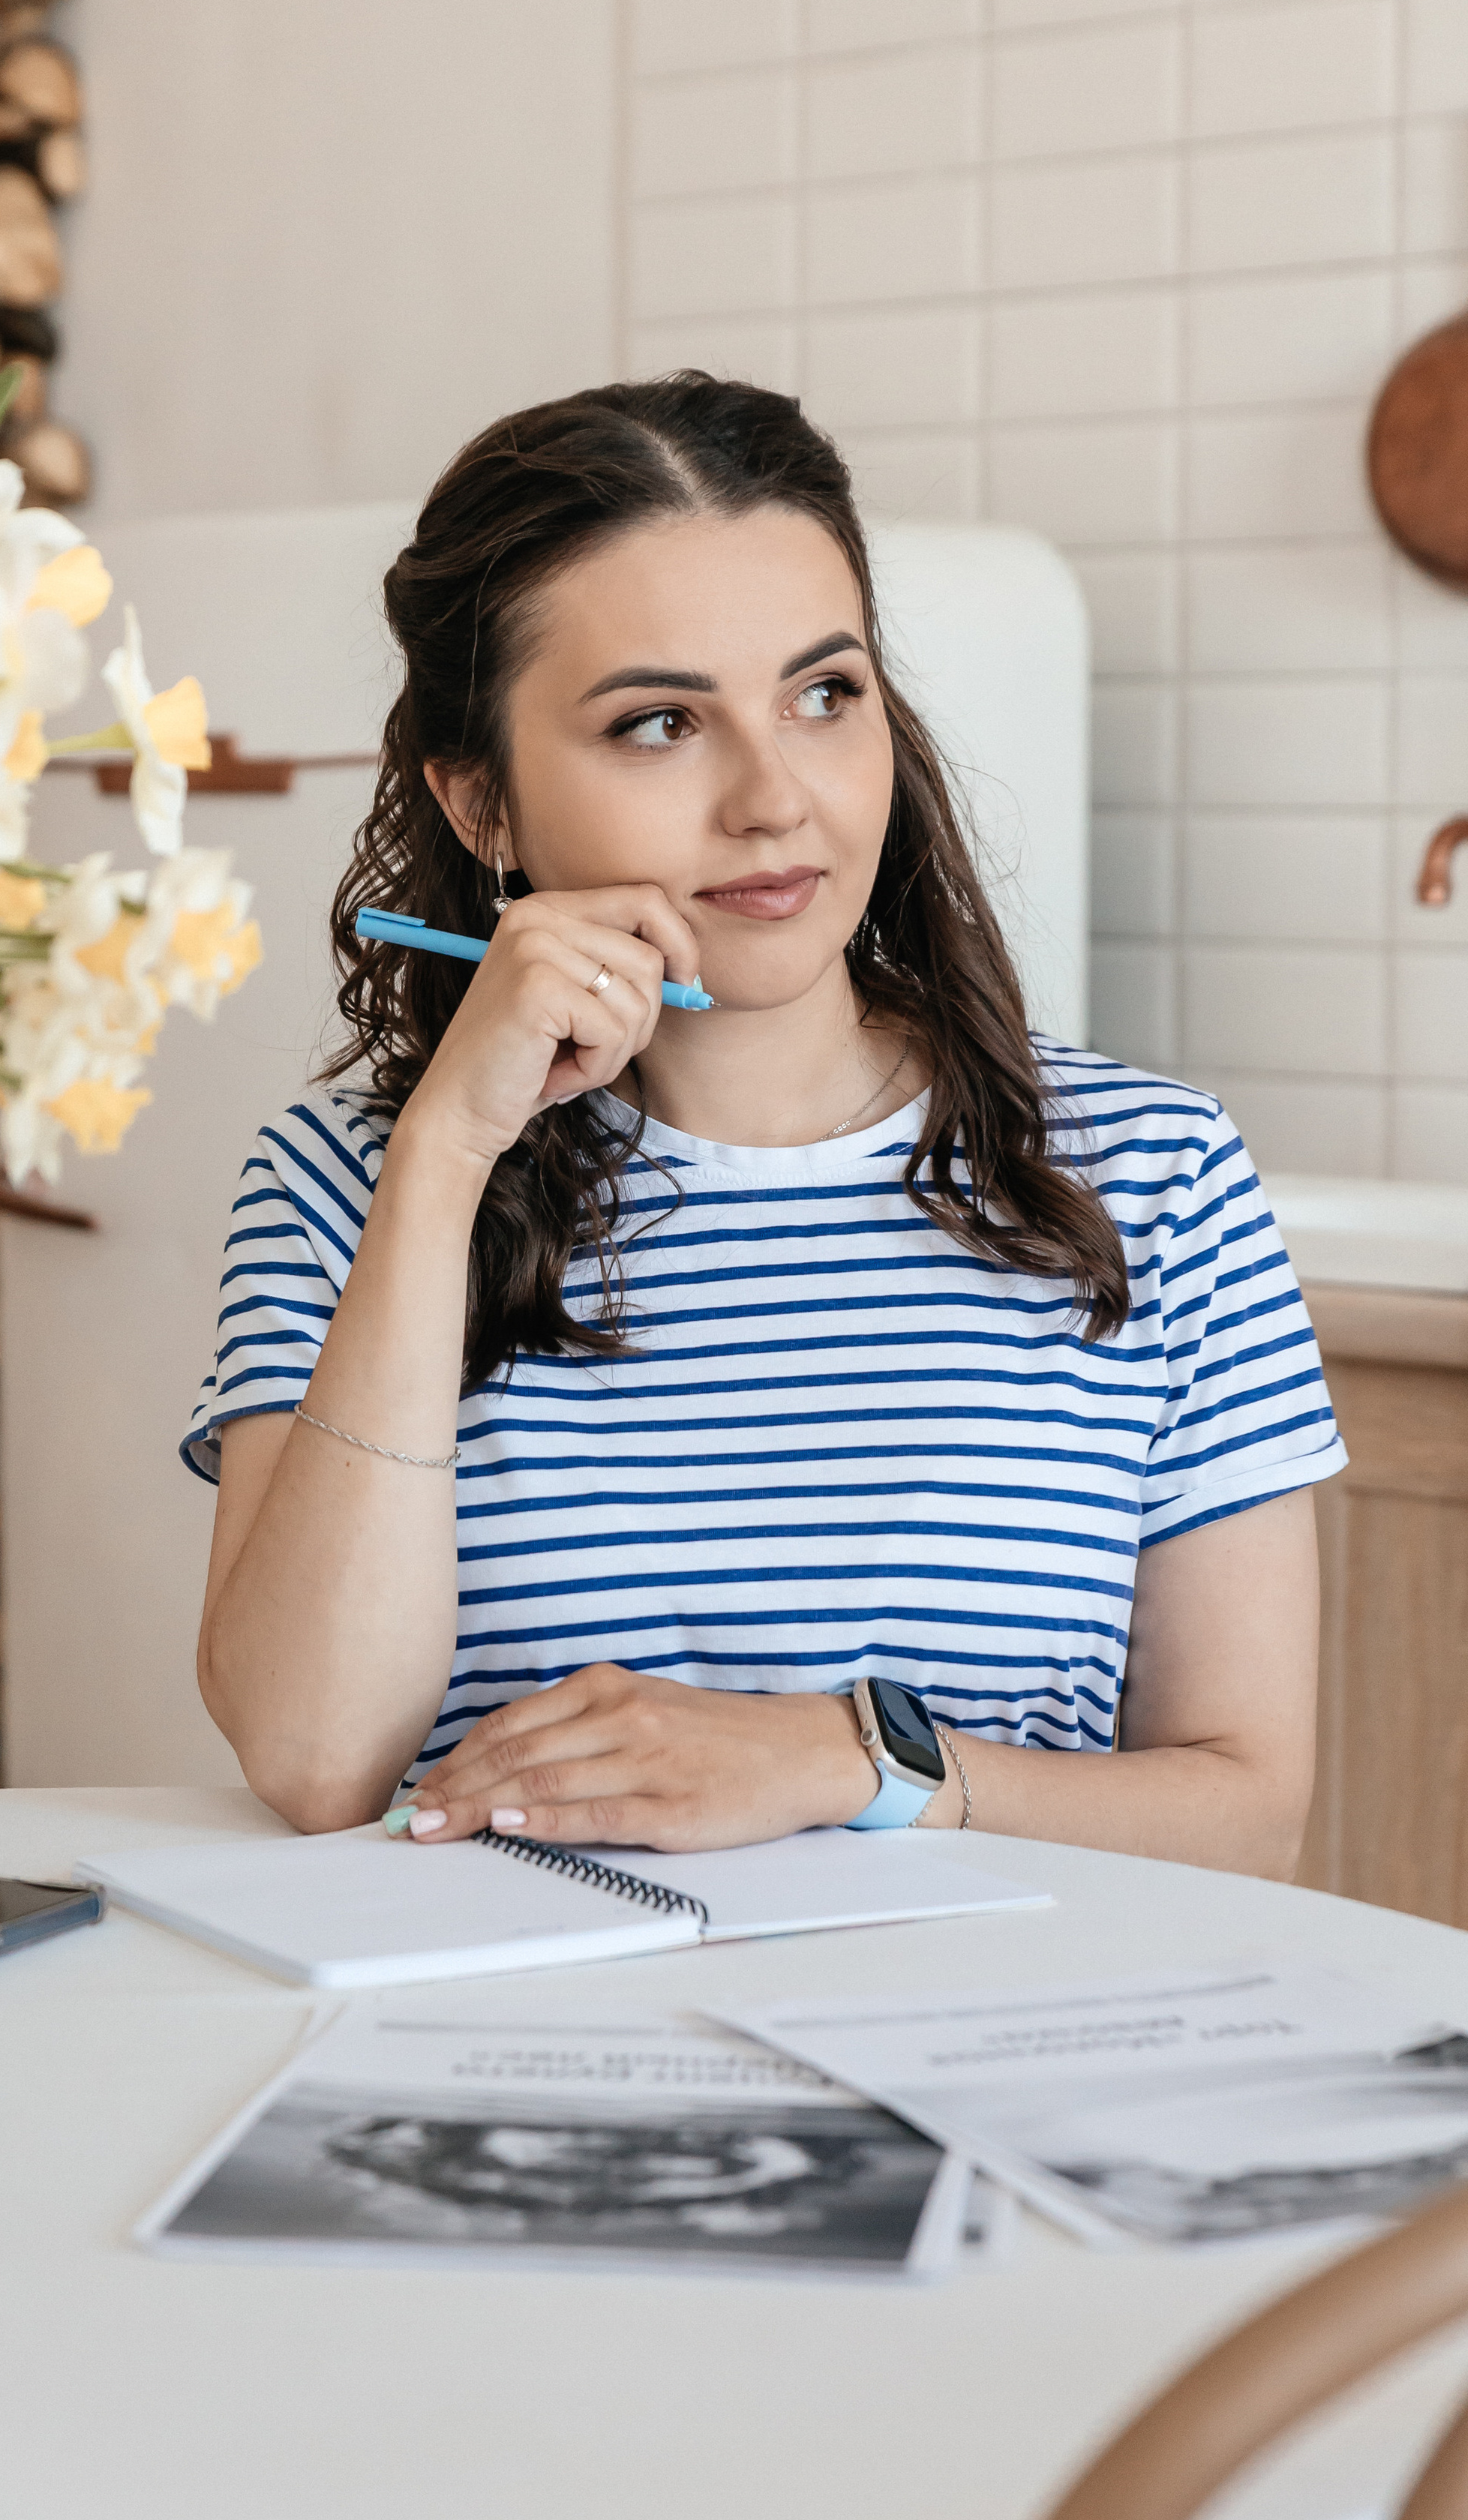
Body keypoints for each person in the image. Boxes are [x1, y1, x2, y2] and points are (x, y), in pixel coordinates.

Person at [187, 374, 1343, 1874]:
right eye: (659, 722)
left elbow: (1246, 1811)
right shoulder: (343, 1184)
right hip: (501, 2061)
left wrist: (840, 1758)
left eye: (823, 695)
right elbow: (313, 1756)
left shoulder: (1151, 1176)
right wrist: (445, 1157)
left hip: (993, 2056)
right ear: (482, 805)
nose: (771, 798)